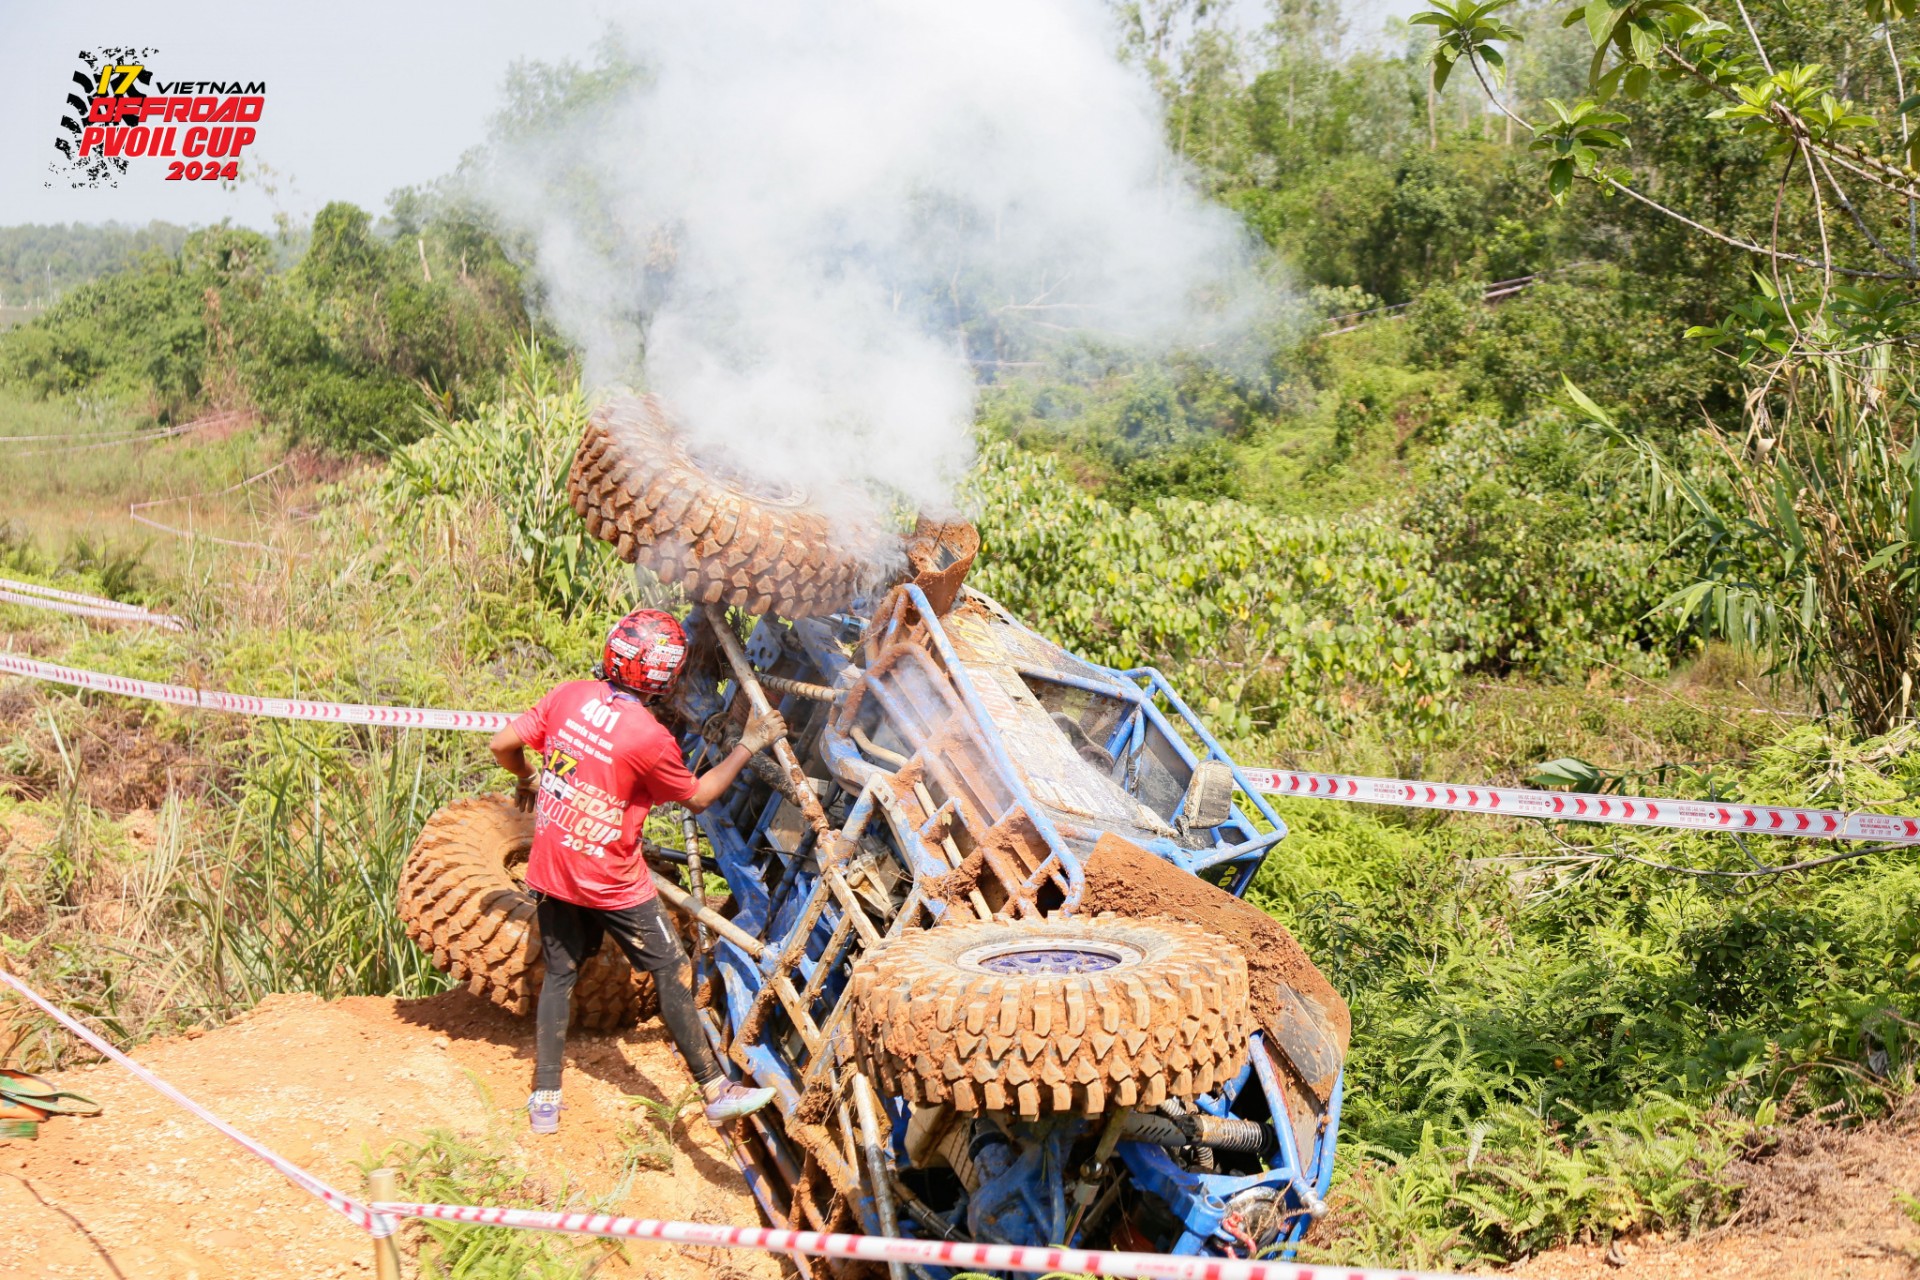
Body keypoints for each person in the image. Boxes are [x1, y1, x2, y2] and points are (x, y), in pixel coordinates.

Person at [488, 606, 788, 1135]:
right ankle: (714, 1090)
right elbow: (700, 796)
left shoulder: (570, 696)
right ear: (667, 675)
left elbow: (502, 745)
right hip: (610, 879)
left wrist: (531, 778)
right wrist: (750, 742)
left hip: (553, 864)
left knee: (561, 975)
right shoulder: (649, 738)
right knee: (670, 968)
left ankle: (545, 1100)